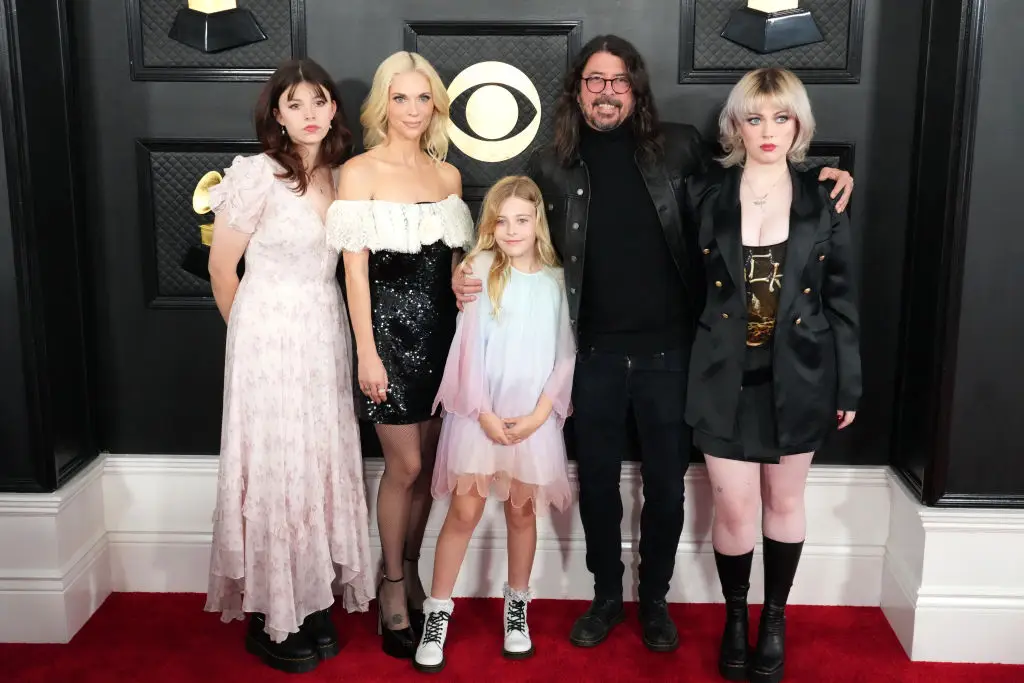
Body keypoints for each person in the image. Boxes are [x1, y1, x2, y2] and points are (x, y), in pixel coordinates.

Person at [452, 34, 855, 653]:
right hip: (593, 353)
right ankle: (607, 597)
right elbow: (514, 225)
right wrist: (469, 267)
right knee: (598, 485)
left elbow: (748, 184)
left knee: (667, 485)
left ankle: (656, 600)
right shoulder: (551, 163)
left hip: (675, 353)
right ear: (578, 90)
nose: (606, 91)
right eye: (594, 80)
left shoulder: (677, 147)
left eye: (618, 80)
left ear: (635, 88)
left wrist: (818, 174)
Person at [685, 67, 861, 683]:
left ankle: (775, 618)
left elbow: (841, 299)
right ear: (735, 124)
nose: (767, 131)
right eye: (754, 117)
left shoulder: (825, 197)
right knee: (733, 510)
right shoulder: (704, 193)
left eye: (781, 117)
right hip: (720, 375)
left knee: (783, 502)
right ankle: (737, 617)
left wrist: (849, 386)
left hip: (802, 374)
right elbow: (685, 288)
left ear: (799, 125)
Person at [204, 58, 373, 674]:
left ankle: (310, 595)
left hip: (324, 333)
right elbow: (225, 271)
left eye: (319, 102)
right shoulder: (255, 175)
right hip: (267, 340)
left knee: (317, 461)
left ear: (334, 110)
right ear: (276, 112)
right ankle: (271, 614)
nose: (308, 114)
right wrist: (252, 342)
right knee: (276, 467)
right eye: (294, 104)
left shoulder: (342, 175)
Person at [326, 51, 474, 659]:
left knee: (431, 472)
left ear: (434, 104)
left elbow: (455, 264)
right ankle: (391, 585)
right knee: (405, 468)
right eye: (400, 97)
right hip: (387, 339)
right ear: (382, 103)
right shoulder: (358, 172)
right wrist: (367, 353)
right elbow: (352, 274)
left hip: (445, 339)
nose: (412, 110)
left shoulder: (448, 177)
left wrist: (467, 277)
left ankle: (412, 570)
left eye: (422, 98)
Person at [412, 176, 576, 673]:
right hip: (478, 415)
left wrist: (540, 414)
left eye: (522, 220)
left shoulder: (555, 279)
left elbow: (565, 355)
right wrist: (482, 411)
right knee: (463, 512)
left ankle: (517, 606)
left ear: (538, 223)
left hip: (533, 420)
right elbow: (465, 350)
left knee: (523, 513)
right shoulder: (479, 270)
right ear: (489, 226)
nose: (511, 229)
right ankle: (437, 612)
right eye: (501, 221)